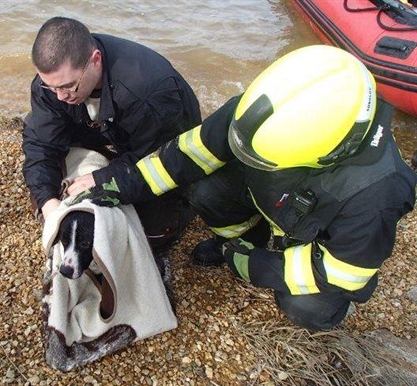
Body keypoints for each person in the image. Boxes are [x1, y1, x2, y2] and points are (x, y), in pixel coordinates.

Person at [75, 45, 417, 330]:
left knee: (308, 307)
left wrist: (250, 264)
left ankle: (285, 271)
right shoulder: (267, 107)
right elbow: (186, 155)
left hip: (313, 231)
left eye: (260, 159)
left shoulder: (375, 195)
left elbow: (341, 275)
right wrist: (116, 184)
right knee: (203, 190)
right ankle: (246, 236)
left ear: (324, 157)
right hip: (277, 200)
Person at [22, 17, 201, 250]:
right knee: (35, 132)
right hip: (107, 125)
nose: (59, 96)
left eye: (68, 87)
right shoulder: (57, 81)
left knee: (152, 231)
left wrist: (103, 178)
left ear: (95, 60)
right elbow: (40, 143)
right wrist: (48, 202)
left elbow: (162, 161)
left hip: (163, 139)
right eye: (50, 86)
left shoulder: (148, 93)